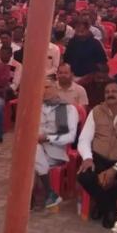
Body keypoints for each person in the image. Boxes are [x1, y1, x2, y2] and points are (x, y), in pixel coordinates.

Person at [77, 80, 117, 229]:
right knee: (84, 176)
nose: (110, 94)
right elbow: (84, 138)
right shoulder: (96, 111)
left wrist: (115, 168)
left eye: (114, 91)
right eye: (107, 92)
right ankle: (109, 207)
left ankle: (102, 203)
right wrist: (87, 157)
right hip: (98, 157)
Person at [33, 77, 78, 209]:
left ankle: (33, 197)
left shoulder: (68, 109)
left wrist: (48, 138)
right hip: (35, 151)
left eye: (47, 87)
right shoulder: (35, 107)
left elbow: (71, 136)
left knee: (31, 156)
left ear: (56, 89)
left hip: (55, 152)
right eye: (41, 87)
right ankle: (49, 193)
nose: (43, 90)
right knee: (33, 153)